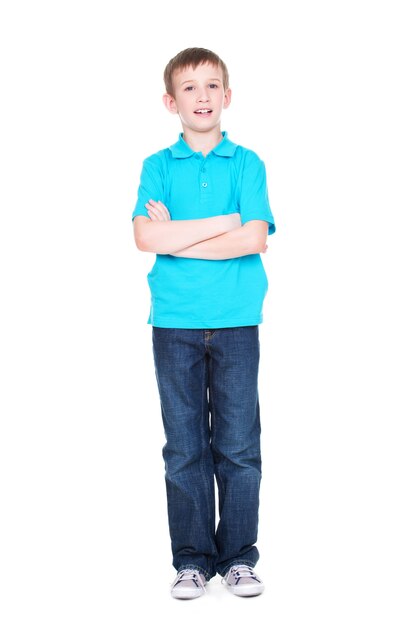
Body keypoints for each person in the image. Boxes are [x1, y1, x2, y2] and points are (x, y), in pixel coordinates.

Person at [132, 47, 276, 600]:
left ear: (228, 96)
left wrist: (181, 234)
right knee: (185, 446)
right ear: (172, 101)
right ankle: (191, 559)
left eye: (212, 86)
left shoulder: (247, 164)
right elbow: (146, 238)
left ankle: (238, 557)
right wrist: (224, 224)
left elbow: (255, 237)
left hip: (237, 320)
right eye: (189, 88)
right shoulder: (156, 167)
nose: (202, 96)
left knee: (238, 445)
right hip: (173, 322)